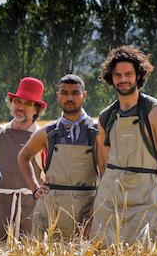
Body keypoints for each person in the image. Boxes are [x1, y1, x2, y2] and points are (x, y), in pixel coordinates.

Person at [89, 46, 157, 244]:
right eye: (118, 75)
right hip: (108, 199)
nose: (123, 79)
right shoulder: (105, 116)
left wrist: (156, 196)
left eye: (128, 74)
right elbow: (103, 165)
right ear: (111, 78)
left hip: (144, 197)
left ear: (139, 75)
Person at [18, 74, 100, 240]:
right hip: (50, 209)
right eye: (64, 93)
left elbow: (106, 171)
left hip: (86, 208)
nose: (69, 98)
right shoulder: (48, 132)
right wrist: (35, 189)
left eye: (75, 93)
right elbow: (23, 156)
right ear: (58, 96)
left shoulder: (96, 131)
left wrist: (96, 208)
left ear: (85, 95)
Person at [0, 77, 45, 243]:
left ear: (36, 109)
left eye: (27, 103)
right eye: (17, 101)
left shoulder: (42, 138)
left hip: (28, 209)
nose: (20, 107)